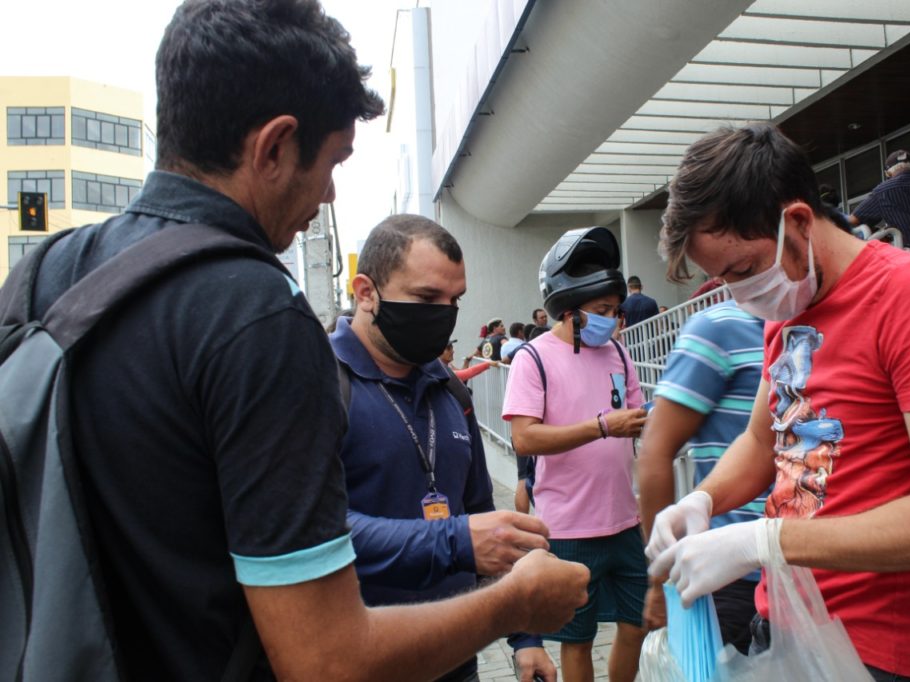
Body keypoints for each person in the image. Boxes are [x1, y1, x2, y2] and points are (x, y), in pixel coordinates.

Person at [10, 1, 589, 680]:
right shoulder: (255, 314)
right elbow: (326, 661)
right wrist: (513, 605)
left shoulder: (45, 274)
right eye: (334, 160)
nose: (330, 193)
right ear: (275, 146)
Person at [650, 123, 910, 681]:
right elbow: (760, 440)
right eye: (723, 279)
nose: (741, 291)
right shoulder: (789, 308)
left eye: (743, 270)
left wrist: (761, 540)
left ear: (796, 220)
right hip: (787, 621)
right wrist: (700, 500)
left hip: (870, 652)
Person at [329, 214, 556, 682]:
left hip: (457, 657)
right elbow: (311, 533)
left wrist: (525, 638)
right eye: (427, 298)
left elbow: (477, 511)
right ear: (366, 292)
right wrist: (453, 542)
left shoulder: (449, 388)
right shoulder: (318, 383)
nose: (444, 314)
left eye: (455, 300)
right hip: (362, 660)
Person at [504, 227, 649, 682]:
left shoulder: (620, 355)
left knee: (638, 623)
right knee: (577, 639)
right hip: (569, 529)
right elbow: (525, 439)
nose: (613, 321)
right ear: (569, 311)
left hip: (625, 521)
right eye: (602, 311)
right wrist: (603, 427)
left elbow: (639, 418)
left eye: (615, 311)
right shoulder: (534, 359)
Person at [638, 300, 767, 654]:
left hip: (821, 567)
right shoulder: (716, 329)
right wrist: (661, 578)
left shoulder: (813, 324)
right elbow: (655, 452)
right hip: (734, 577)